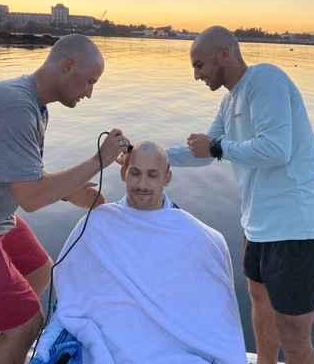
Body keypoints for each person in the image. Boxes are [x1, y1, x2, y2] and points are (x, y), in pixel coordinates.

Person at [165, 25, 314, 364]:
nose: (196, 75)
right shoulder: (229, 102)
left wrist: (216, 146)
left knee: (294, 336)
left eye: (200, 65)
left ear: (224, 55)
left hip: (298, 229)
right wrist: (150, 154)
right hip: (259, 226)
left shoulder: (265, 79)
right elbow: (204, 153)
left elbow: (276, 150)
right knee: (258, 299)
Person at [0, 34, 129, 364]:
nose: (90, 92)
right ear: (67, 66)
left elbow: (24, 174)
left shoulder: (34, 105)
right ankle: (9, 329)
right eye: (89, 81)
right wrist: (97, 161)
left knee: (41, 270)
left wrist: (68, 192)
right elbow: (30, 197)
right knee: (27, 325)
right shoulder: (16, 108)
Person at [32, 141, 247, 364]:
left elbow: (216, 314)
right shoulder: (98, 225)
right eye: (135, 173)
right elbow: (73, 294)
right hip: (108, 334)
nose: (142, 184)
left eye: (152, 175)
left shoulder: (199, 237)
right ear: (123, 173)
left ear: (167, 178)